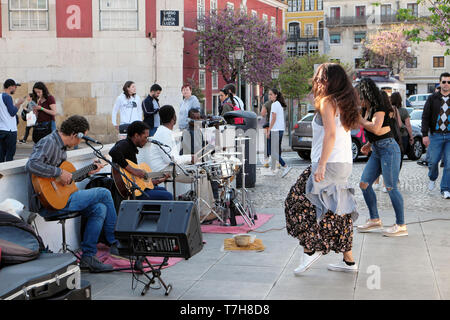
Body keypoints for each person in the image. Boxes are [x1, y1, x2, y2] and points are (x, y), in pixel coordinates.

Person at [284, 63, 360, 274]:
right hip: (343, 163)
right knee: (339, 209)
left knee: (297, 202)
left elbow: (331, 134)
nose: (316, 82)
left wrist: (321, 165)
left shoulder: (328, 102)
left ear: (330, 81)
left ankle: (311, 250)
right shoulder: (344, 101)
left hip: (329, 163)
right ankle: (349, 260)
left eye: (320, 78)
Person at [25, 115, 120, 272]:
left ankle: (88, 257)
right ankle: (115, 241)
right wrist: (58, 172)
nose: (79, 143)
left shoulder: (61, 147)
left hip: (62, 198)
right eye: (80, 139)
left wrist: (88, 172)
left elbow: (67, 180)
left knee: (99, 209)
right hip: (47, 203)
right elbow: (32, 164)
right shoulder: (50, 142)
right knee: (104, 193)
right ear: (75, 134)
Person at [357, 78, 406, 236]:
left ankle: (401, 225)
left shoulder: (379, 107)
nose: (360, 100)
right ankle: (374, 220)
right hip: (377, 150)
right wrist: (370, 145)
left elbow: (377, 128)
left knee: (391, 187)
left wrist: (360, 120)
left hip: (389, 150)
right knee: (364, 184)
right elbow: (377, 132)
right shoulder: (367, 110)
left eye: (361, 97)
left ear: (368, 95)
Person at [109, 120, 172, 201]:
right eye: (145, 137)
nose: (146, 140)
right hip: (131, 192)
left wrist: (158, 180)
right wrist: (134, 171)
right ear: (136, 135)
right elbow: (113, 152)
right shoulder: (125, 144)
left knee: (163, 191)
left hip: (137, 189)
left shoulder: (131, 148)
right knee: (168, 196)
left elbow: (140, 181)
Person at [422, 72, 450, 199]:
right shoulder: (432, 98)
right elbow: (425, 117)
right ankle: (432, 178)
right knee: (433, 162)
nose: (446, 84)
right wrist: (424, 134)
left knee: (449, 164)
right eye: (444, 82)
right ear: (440, 83)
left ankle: (445, 189)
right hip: (435, 136)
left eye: (449, 82)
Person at [267, 88, 291, 178]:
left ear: (276, 95)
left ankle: (285, 166)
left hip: (275, 130)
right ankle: (275, 167)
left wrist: (269, 129)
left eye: (271, 94)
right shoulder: (279, 105)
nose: (269, 96)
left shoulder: (274, 105)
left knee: (271, 151)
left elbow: (274, 118)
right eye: (269, 94)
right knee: (275, 150)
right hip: (280, 130)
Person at [0, 79, 24, 162]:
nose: (15, 89)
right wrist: (18, 104)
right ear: (10, 87)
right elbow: (12, 112)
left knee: (1, 155)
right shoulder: (7, 97)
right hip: (10, 130)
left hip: (1, 129)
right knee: (10, 156)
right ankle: (9, 174)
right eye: (15, 87)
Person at [391, 92, 414, 162]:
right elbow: (408, 125)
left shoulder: (389, 110)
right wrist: (411, 136)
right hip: (402, 136)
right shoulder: (404, 111)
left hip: (391, 136)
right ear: (400, 100)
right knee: (400, 157)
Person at [261, 99, 273, 168]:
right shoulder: (280, 103)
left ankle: (266, 162)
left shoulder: (268, 103)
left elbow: (262, 114)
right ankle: (277, 162)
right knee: (276, 144)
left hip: (268, 126)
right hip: (278, 126)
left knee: (267, 144)